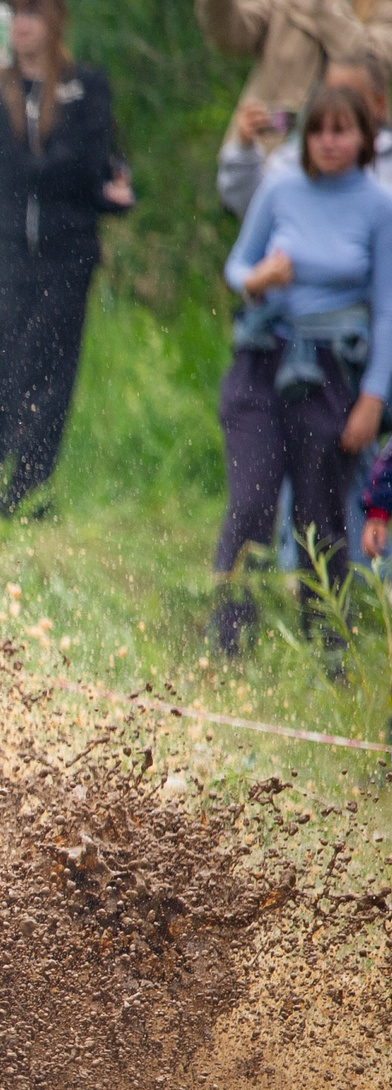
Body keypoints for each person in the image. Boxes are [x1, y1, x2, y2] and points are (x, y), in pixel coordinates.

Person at [211, 83, 392, 661]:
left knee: (319, 515)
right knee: (252, 496)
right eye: (317, 130)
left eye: (341, 131)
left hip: (333, 368)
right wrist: (260, 280)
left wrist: (374, 397)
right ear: (305, 136)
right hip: (265, 358)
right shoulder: (281, 185)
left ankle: (326, 649)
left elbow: (387, 310)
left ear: (364, 138)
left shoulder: (378, 205)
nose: (328, 142)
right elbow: (237, 265)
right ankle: (228, 636)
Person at [0, 0, 131, 518]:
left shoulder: (85, 86)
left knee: (50, 370)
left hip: (64, 253)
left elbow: (90, 162)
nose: (23, 25)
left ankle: (26, 491)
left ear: (54, 20)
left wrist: (28, 171)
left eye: (33, 12)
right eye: (13, 15)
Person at [197, 0, 383, 192]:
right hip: (268, 157)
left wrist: (325, 7)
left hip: (357, 168)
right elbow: (231, 35)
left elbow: (375, 62)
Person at [220, 52, 392, 212]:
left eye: (351, 98)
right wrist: (245, 149)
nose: (339, 107)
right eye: (330, 96)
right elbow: (255, 204)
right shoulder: (297, 157)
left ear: (379, 103)